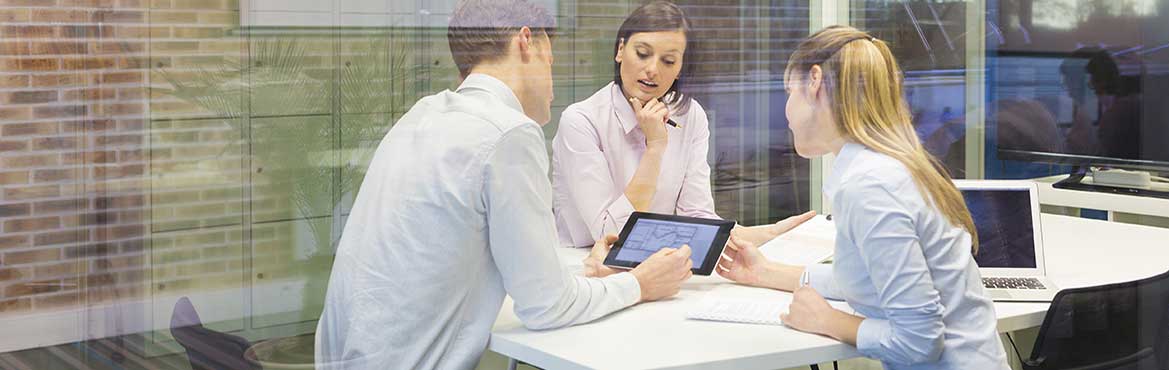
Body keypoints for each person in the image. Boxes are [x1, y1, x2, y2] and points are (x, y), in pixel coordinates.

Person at [314, 1, 694, 368]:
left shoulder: (421, 117)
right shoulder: (508, 133)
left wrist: (583, 276)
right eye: (551, 62)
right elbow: (547, 306)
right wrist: (641, 284)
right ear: (526, 42)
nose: (552, 82)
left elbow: (481, 266)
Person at [716, 26, 1010, 369]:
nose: (787, 112)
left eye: (788, 92)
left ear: (814, 83)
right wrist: (765, 272)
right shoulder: (888, 167)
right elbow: (869, 278)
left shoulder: (871, 186)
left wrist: (826, 320)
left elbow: (919, 343)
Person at [550, 1, 814, 249]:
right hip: (585, 268)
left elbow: (697, 217)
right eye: (642, 53)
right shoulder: (581, 121)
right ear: (620, 50)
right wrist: (655, 148)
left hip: (654, 260)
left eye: (668, 61)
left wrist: (767, 234)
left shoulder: (689, 114)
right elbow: (610, 236)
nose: (652, 69)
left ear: (680, 68)